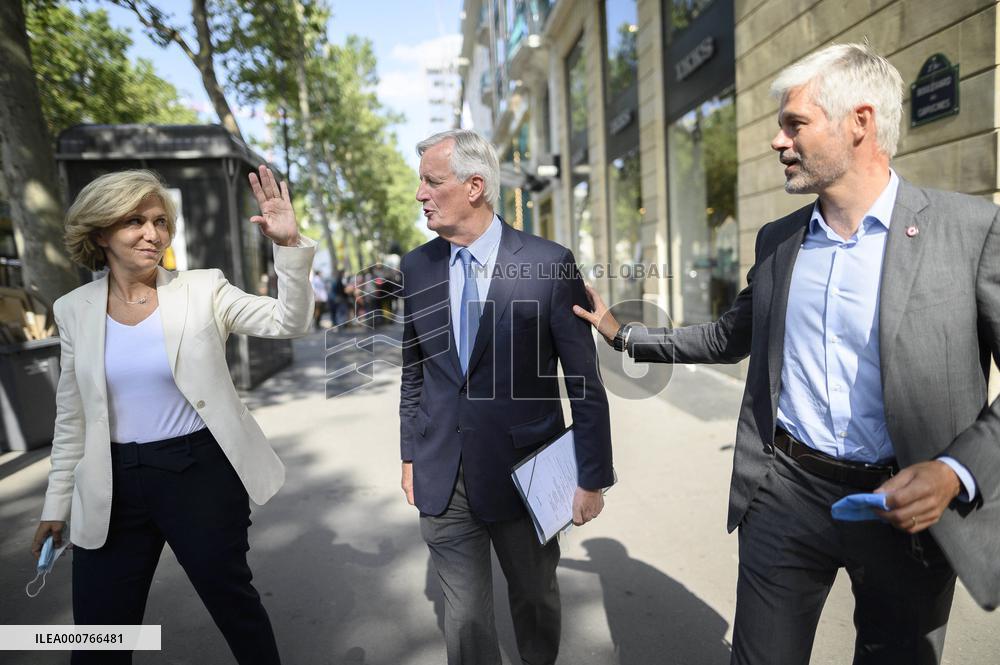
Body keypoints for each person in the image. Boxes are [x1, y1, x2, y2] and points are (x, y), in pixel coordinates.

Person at [574, 43, 1000, 664]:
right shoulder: (779, 241)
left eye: (794, 122)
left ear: (860, 122)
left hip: (905, 509)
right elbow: (728, 336)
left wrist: (954, 472)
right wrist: (622, 333)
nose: (778, 140)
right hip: (784, 494)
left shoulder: (969, 232)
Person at [31, 167, 316, 665]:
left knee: (234, 608)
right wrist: (56, 505)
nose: (152, 233)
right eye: (134, 221)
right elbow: (72, 416)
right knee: (98, 636)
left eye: (160, 221)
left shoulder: (203, 288)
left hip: (199, 473)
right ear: (100, 233)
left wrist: (288, 246)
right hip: (111, 482)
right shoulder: (73, 308)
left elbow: (288, 321)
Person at [399, 129, 614, 665]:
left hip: (525, 472)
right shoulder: (417, 267)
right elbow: (414, 371)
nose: (421, 194)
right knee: (466, 616)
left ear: (474, 186)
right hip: (442, 471)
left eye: (432, 181)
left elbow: (583, 381)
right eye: (420, 182)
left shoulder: (548, 263)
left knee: (535, 597)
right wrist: (408, 453)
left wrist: (592, 475)